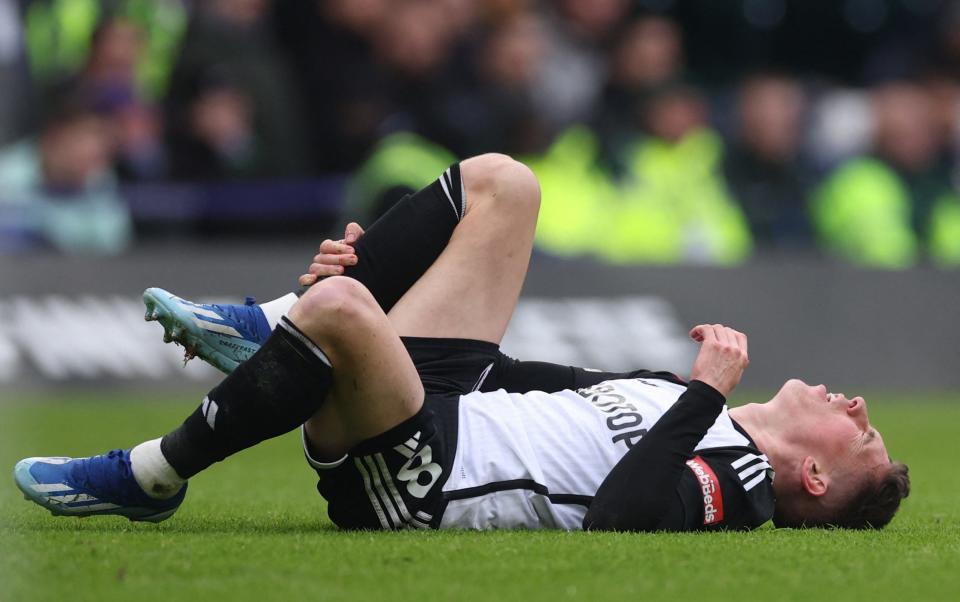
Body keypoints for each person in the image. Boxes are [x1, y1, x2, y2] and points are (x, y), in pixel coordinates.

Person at [15, 154, 908, 531]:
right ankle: (286, 321)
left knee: (344, 320)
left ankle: (149, 478)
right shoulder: (687, 410)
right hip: (453, 399)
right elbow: (530, 385)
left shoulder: (741, 482)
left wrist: (705, 394)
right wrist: (384, 283)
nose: (858, 406)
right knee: (504, 185)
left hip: (425, 474)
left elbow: (621, 521)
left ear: (817, 478)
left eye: (861, 434)